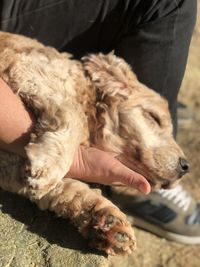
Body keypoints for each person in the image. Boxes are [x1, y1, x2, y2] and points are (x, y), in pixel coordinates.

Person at [0, 0, 199, 244]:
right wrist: (68, 144)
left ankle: (92, 207)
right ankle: (136, 192)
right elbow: (20, 69)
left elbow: (16, 170)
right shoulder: (72, 84)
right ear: (111, 79)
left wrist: (82, 197)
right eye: (153, 119)